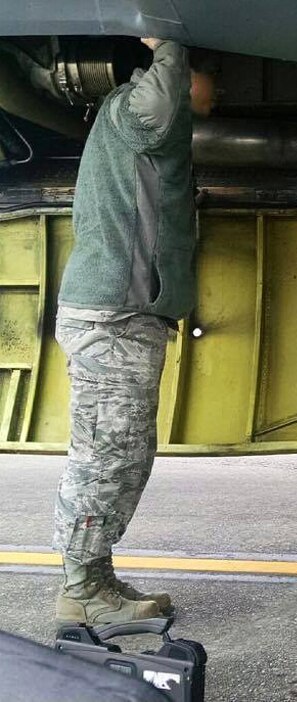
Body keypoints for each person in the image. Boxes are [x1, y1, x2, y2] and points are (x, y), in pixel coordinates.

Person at [53, 37, 216, 626]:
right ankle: (80, 591)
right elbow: (159, 105)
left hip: (125, 316)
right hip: (112, 318)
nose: (215, 96)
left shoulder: (139, 127)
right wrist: (171, 46)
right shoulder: (133, 110)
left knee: (125, 453)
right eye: (207, 81)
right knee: (105, 455)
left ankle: (94, 576)